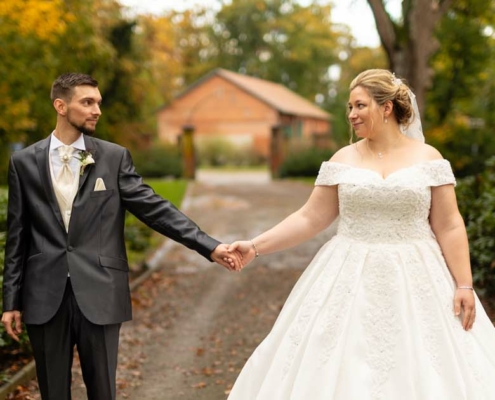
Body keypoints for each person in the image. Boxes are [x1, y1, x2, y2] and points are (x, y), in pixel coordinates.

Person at [227, 69, 495, 399]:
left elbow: (450, 225)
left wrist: (464, 284)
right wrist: (255, 246)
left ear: (386, 108)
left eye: (359, 106)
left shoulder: (429, 159)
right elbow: (310, 217)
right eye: (349, 108)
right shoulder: (342, 159)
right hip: (347, 273)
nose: (351, 115)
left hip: (419, 275)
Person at [1, 72, 241, 400]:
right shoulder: (23, 163)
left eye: (98, 102)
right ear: (60, 105)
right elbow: (18, 234)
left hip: (100, 290)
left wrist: (209, 246)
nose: (97, 110)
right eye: (87, 102)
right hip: (44, 295)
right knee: (52, 393)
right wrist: (11, 301)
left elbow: (156, 209)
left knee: (103, 391)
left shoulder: (113, 158)